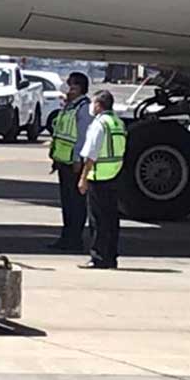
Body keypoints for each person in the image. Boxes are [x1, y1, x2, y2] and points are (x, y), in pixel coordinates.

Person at [78, 89, 125, 269]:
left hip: (99, 176)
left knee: (97, 220)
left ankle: (98, 257)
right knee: (112, 219)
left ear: (98, 105)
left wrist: (83, 178)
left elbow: (91, 154)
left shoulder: (99, 124)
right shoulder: (117, 122)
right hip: (115, 174)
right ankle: (111, 257)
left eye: (93, 103)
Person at [47, 72, 92, 252]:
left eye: (70, 84)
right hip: (64, 162)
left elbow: (82, 137)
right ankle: (66, 237)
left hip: (74, 163)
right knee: (67, 203)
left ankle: (74, 239)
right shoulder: (69, 106)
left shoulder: (83, 108)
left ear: (78, 88)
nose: (66, 87)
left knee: (76, 203)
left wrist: (77, 159)